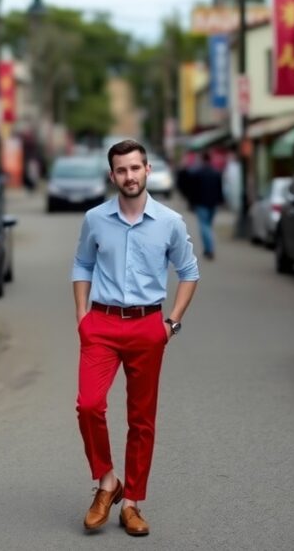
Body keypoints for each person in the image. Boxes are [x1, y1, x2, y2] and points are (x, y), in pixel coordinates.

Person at [71, 139, 200, 537]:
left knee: (141, 419)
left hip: (148, 326)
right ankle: (108, 480)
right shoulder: (95, 219)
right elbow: (82, 264)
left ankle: (132, 504)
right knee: (89, 405)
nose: (129, 176)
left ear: (147, 170)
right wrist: (82, 318)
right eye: (121, 170)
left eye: (135, 168)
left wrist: (171, 323)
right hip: (102, 324)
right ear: (113, 176)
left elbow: (189, 272)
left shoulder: (170, 222)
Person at [187, 151, 225, 260]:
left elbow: (193, 191)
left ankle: (209, 249)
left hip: (201, 203)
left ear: (203, 160)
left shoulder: (197, 173)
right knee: (208, 225)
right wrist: (220, 201)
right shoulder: (216, 173)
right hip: (213, 203)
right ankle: (207, 249)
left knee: (204, 226)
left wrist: (191, 203)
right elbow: (220, 189)